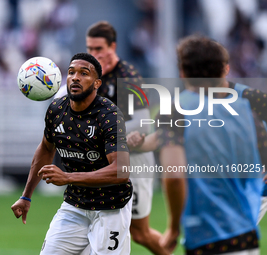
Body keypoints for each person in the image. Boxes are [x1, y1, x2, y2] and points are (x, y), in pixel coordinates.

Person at [127, 35, 267, 254]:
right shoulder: (244, 108)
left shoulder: (176, 109)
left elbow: (174, 175)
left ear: (182, 72)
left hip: (209, 235)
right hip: (247, 235)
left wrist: (173, 228)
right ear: (224, 68)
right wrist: (140, 142)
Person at [11, 53, 133, 255]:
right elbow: (45, 148)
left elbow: (121, 170)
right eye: (71, 72)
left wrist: (67, 177)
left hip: (111, 206)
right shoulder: (56, 110)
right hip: (75, 205)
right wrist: (26, 196)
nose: (75, 77)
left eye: (84, 73)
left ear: (96, 83)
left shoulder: (109, 115)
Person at [86, 21, 169, 255]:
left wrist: (103, 129)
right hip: (110, 163)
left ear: (113, 46)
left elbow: (142, 122)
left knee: (140, 233)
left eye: (99, 49)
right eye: (90, 49)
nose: (94, 54)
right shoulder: (92, 75)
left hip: (136, 163)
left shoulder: (127, 76)